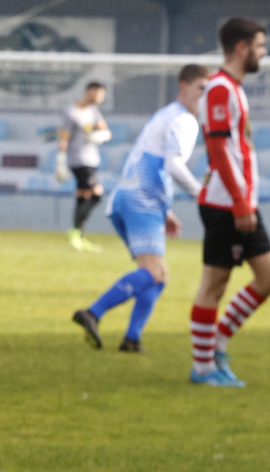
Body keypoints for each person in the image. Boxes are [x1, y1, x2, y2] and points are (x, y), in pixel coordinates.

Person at [71, 64, 210, 353]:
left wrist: (166, 210)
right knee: (153, 273)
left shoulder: (165, 114)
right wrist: (202, 194)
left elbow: (150, 161)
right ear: (184, 86)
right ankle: (93, 313)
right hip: (141, 202)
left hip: (128, 199)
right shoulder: (184, 120)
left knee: (158, 275)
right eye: (201, 88)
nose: (205, 96)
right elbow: (172, 165)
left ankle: (132, 339)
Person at [188, 17, 270, 388]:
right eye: (259, 45)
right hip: (227, 203)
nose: (263, 52)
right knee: (214, 283)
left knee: (269, 277)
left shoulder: (233, 88)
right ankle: (203, 368)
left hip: (240, 200)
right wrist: (241, 202)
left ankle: (217, 343)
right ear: (241, 47)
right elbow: (218, 150)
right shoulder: (220, 89)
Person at [56, 81, 112, 252]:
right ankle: (74, 232)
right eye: (100, 94)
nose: (101, 99)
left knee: (82, 197)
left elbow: (106, 132)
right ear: (91, 92)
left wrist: (99, 136)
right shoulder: (71, 111)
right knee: (96, 195)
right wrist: (60, 161)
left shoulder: (93, 111)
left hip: (92, 159)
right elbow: (64, 137)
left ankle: (79, 237)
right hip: (79, 160)